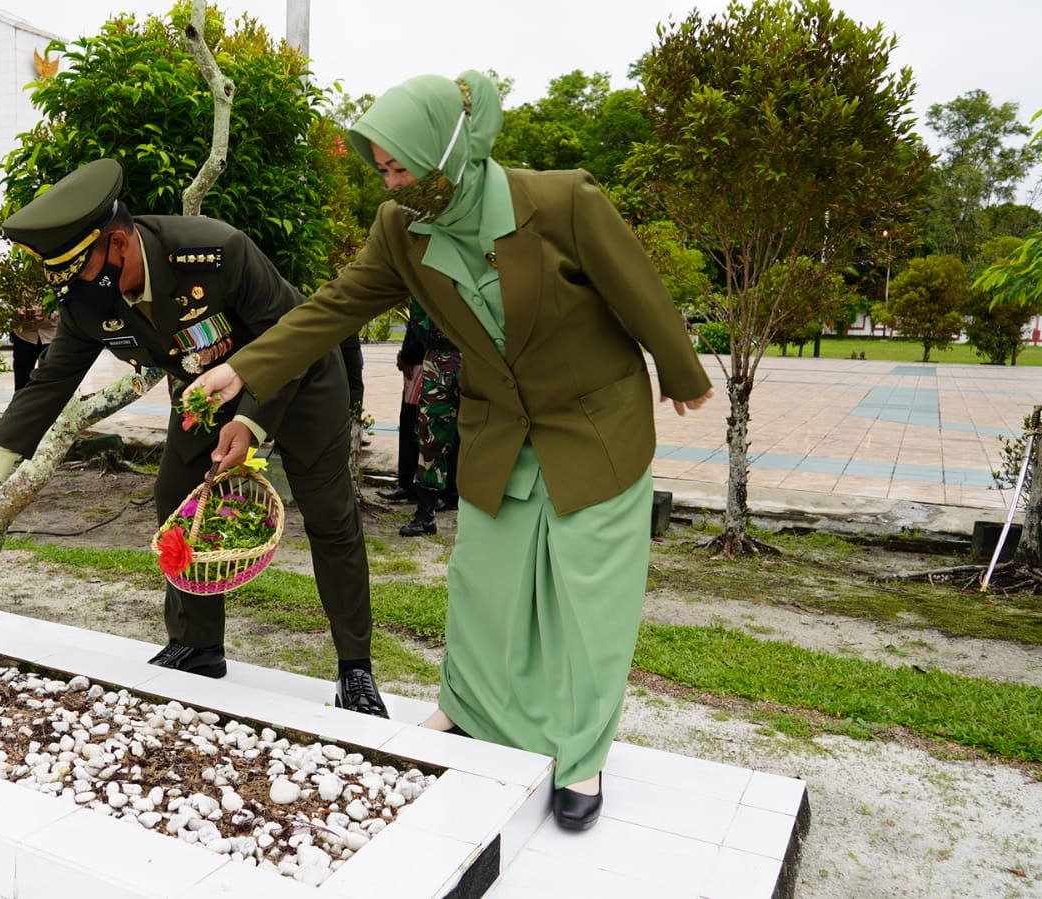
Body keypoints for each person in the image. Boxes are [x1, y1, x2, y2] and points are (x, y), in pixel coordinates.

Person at [185, 71, 714, 830]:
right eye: (382, 170)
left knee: (587, 598)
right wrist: (244, 367)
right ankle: (467, 709)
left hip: (594, 421)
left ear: (446, 148)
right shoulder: (400, 229)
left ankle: (581, 752)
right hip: (500, 426)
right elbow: (336, 305)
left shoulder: (560, 200)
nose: (391, 181)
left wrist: (680, 370)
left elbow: (635, 286)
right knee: (483, 584)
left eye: (400, 165)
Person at [0, 158, 389, 717]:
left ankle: (355, 671)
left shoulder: (215, 252)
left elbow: (284, 338)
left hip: (302, 377)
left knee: (330, 518)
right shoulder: (89, 300)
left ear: (117, 243)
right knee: (175, 497)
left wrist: (251, 424)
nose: (75, 290)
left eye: (81, 272)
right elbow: (45, 388)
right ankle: (198, 645)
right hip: (207, 391)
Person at [401, 299, 460, 537]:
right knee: (431, 439)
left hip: (480, 359)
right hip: (440, 361)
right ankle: (425, 516)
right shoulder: (424, 274)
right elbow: (418, 322)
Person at [379, 310, 425, 503]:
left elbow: (425, 335)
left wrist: (406, 355)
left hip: (425, 368)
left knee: (418, 430)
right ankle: (406, 484)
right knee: (408, 428)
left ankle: (417, 486)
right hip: (413, 369)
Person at [10, 307, 58, 391]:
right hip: (23, 334)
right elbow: (3, 303)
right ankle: (22, 403)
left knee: (50, 380)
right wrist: (14, 312)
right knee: (22, 382)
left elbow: (67, 302)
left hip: (51, 334)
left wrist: (50, 313)